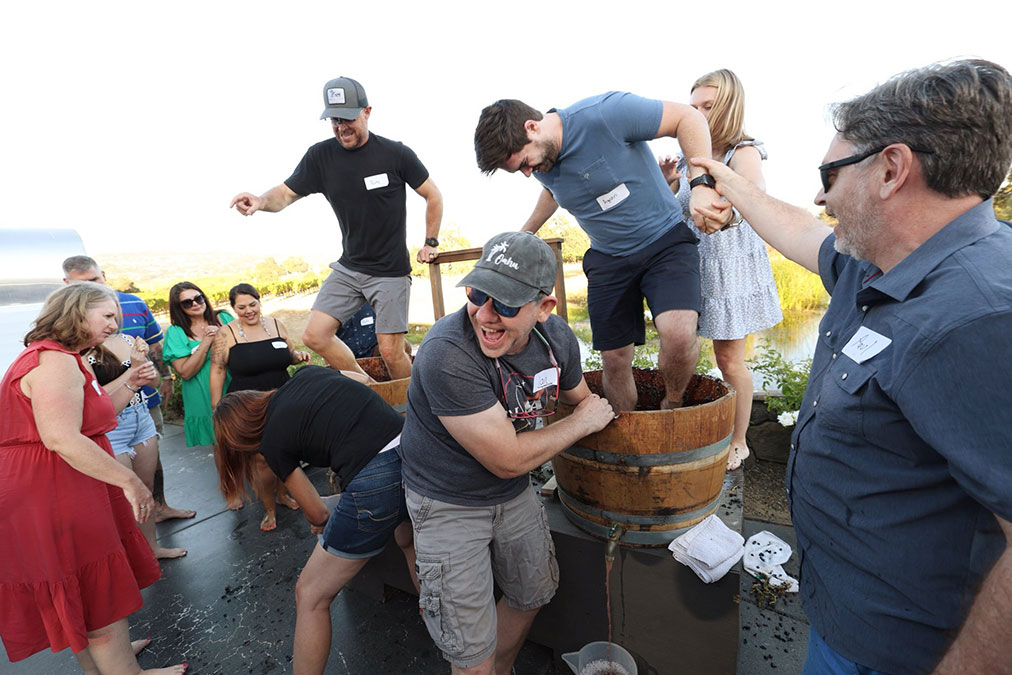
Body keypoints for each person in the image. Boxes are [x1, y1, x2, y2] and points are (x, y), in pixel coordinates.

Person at [690, 59, 1012, 674]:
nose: (819, 193)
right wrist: (724, 182)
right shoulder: (879, 262)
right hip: (846, 619)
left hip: (904, 654)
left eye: (829, 173)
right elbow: (801, 230)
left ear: (891, 170)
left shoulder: (979, 316)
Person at [399, 232, 615, 674]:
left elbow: (580, 397)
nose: (485, 314)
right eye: (478, 294)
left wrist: (608, 415)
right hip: (448, 502)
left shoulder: (556, 341)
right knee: (468, 653)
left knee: (532, 592)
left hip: (512, 494)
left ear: (544, 308)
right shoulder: (447, 353)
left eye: (507, 304)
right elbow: (508, 458)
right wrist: (581, 423)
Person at [474, 92, 724, 413]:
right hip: (608, 258)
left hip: (664, 242)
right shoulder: (541, 159)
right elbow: (553, 191)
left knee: (677, 334)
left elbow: (688, 118)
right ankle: (625, 437)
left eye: (524, 164)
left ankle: (672, 402)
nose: (527, 173)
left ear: (532, 127)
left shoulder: (605, 114)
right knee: (614, 357)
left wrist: (701, 183)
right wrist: (524, 233)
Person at [0, 282, 185, 674]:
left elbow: (94, 419)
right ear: (77, 313)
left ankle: (106, 663)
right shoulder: (55, 362)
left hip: (56, 486)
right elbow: (62, 437)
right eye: (107, 315)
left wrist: (132, 380)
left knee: (80, 586)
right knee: (94, 585)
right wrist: (130, 481)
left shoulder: (65, 357)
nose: (115, 323)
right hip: (55, 489)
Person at [230, 76, 444, 381]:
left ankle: (417, 413)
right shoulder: (321, 156)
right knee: (315, 336)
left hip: (390, 271)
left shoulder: (396, 154)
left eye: (348, 118)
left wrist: (430, 241)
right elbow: (287, 193)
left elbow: (433, 195)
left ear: (367, 111)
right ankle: (368, 386)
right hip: (349, 267)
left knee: (391, 351)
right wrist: (260, 200)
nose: (341, 127)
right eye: (334, 119)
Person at [212, 365, 418, 675]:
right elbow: (359, 378)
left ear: (242, 439)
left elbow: (318, 514)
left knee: (310, 594)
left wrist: (324, 520)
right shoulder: (307, 375)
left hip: (375, 481)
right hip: (414, 450)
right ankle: (449, 637)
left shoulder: (272, 443)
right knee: (407, 540)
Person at [659, 69, 782, 470]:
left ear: (729, 105)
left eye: (707, 106)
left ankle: (739, 441)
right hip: (691, 266)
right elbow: (674, 212)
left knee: (729, 360)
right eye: (692, 106)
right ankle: (687, 422)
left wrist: (727, 204)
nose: (697, 113)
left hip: (729, 268)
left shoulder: (742, 151)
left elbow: (754, 191)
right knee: (684, 349)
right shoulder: (687, 157)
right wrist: (668, 183)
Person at [62, 255, 196, 522]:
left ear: (104, 275)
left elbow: (155, 348)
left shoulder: (134, 305)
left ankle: (159, 508)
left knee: (151, 460)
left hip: (143, 407)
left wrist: (164, 378)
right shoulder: (73, 336)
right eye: (84, 284)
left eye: (95, 280)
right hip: (109, 420)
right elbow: (91, 397)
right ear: (67, 285)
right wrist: (132, 374)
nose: (93, 288)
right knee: (123, 485)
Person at [209, 283, 309, 530]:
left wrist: (299, 357)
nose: (248, 311)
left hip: (282, 398)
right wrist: (217, 406)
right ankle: (269, 508)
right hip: (248, 406)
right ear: (233, 308)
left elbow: (290, 354)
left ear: (259, 301)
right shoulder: (226, 334)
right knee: (260, 460)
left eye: (252, 304)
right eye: (241, 307)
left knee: (287, 451)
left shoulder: (276, 325)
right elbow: (218, 369)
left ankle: (283, 494)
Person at [87, 332, 188, 559]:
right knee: (122, 496)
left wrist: (147, 370)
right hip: (111, 426)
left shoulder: (127, 340)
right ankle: (124, 558)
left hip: (140, 417)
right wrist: (133, 372)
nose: (112, 323)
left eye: (114, 315)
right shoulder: (82, 350)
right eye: (106, 316)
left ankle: (152, 549)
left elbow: (153, 382)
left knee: (145, 488)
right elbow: (94, 398)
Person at [162, 282, 234, 448]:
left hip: (233, 385)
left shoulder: (223, 318)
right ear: (178, 307)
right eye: (187, 302)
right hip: (202, 395)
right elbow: (185, 372)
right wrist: (206, 342)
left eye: (198, 298)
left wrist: (222, 335)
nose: (195, 304)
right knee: (222, 447)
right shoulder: (176, 332)